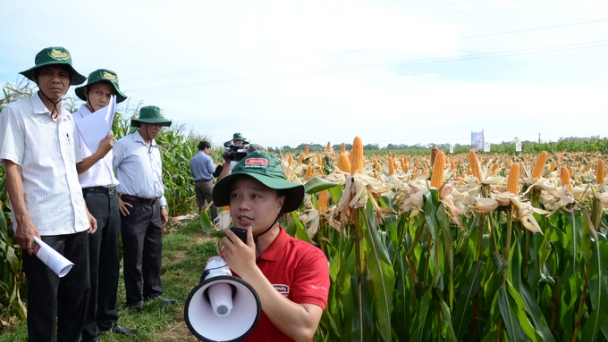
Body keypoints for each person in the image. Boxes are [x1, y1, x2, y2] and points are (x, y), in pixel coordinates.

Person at [0, 46, 97, 342]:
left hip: (75, 223)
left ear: (69, 82)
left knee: (78, 292)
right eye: (48, 73)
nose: (56, 79)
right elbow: (12, 168)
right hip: (42, 228)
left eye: (62, 74)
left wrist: (84, 208)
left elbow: (69, 171)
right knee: (45, 302)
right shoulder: (16, 113)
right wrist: (23, 221)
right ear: (37, 78)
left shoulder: (68, 119)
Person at [212, 151, 330, 341]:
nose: (242, 205)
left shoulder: (308, 258)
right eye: (235, 195)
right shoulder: (225, 261)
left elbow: (304, 329)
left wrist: (248, 271)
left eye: (255, 195)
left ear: (280, 203)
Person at [73, 69, 138, 340]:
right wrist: (100, 152)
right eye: (98, 92)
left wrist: (116, 194)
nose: (104, 98)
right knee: (90, 267)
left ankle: (108, 319)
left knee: (111, 262)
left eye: (109, 94)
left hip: (110, 198)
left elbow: (106, 170)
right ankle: (88, 329)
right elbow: (72, 169)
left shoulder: (106, 123)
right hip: (89, 198)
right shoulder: (74, 122)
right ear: (86, 92)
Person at [113, 105, 177, 311]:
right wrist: (114, 197)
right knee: (134, 256)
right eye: (153, 124)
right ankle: (134, 300)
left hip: (153, 207)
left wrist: (162, 204)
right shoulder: (125, 144)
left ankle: (153, 293)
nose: (158, 128)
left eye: (160, 124)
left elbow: (157, 179)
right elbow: (104, 168)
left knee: (154, 253)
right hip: (132, 207)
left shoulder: (155, 147)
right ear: (142, 124)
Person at [190, 141, 218, 222]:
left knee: (201, 204)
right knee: (212, 203)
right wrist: (215, 166)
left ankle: (203, 222)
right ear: (205, 148)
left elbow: (192, 172)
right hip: (206, 183)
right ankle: (215, 222)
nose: (209, 151)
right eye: (209, 149)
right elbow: (212, 170)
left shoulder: (193, 159)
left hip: (197, 183)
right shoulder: (207, 158)